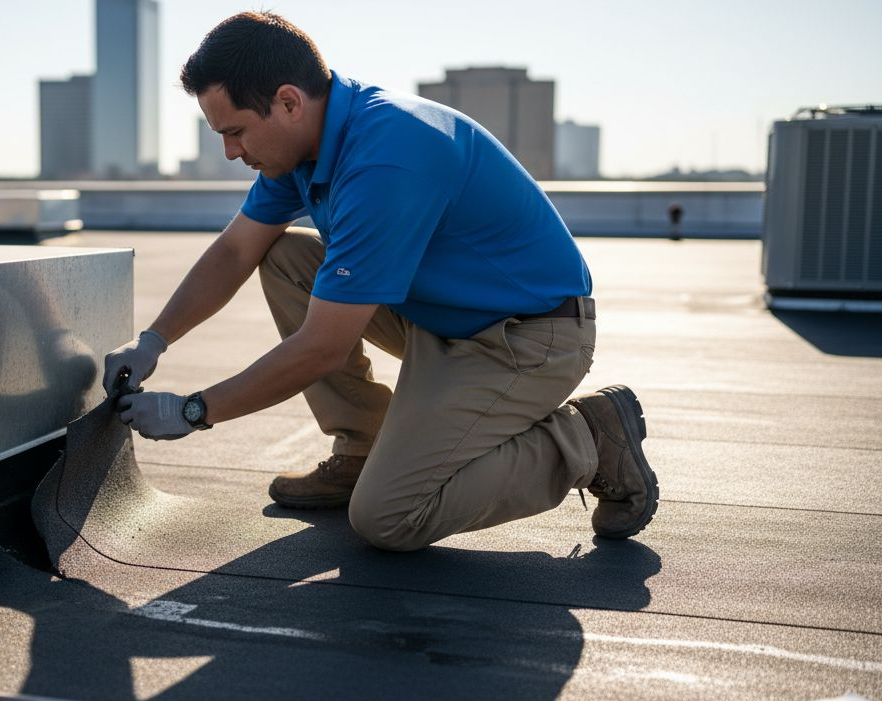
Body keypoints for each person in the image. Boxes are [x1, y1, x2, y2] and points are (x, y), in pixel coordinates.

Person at [104, 11, 658, 551]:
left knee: (389, 516)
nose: (230, 150)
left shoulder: (386, 160)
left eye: (235, 132)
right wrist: (153, 340)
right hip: (444, 320)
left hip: (529, 339)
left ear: (288, 102)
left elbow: (322, 348)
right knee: (286, 256)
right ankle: (361, 445)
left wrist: (194, 411)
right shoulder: (305, 145)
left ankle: (590, 438)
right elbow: (235, 250)